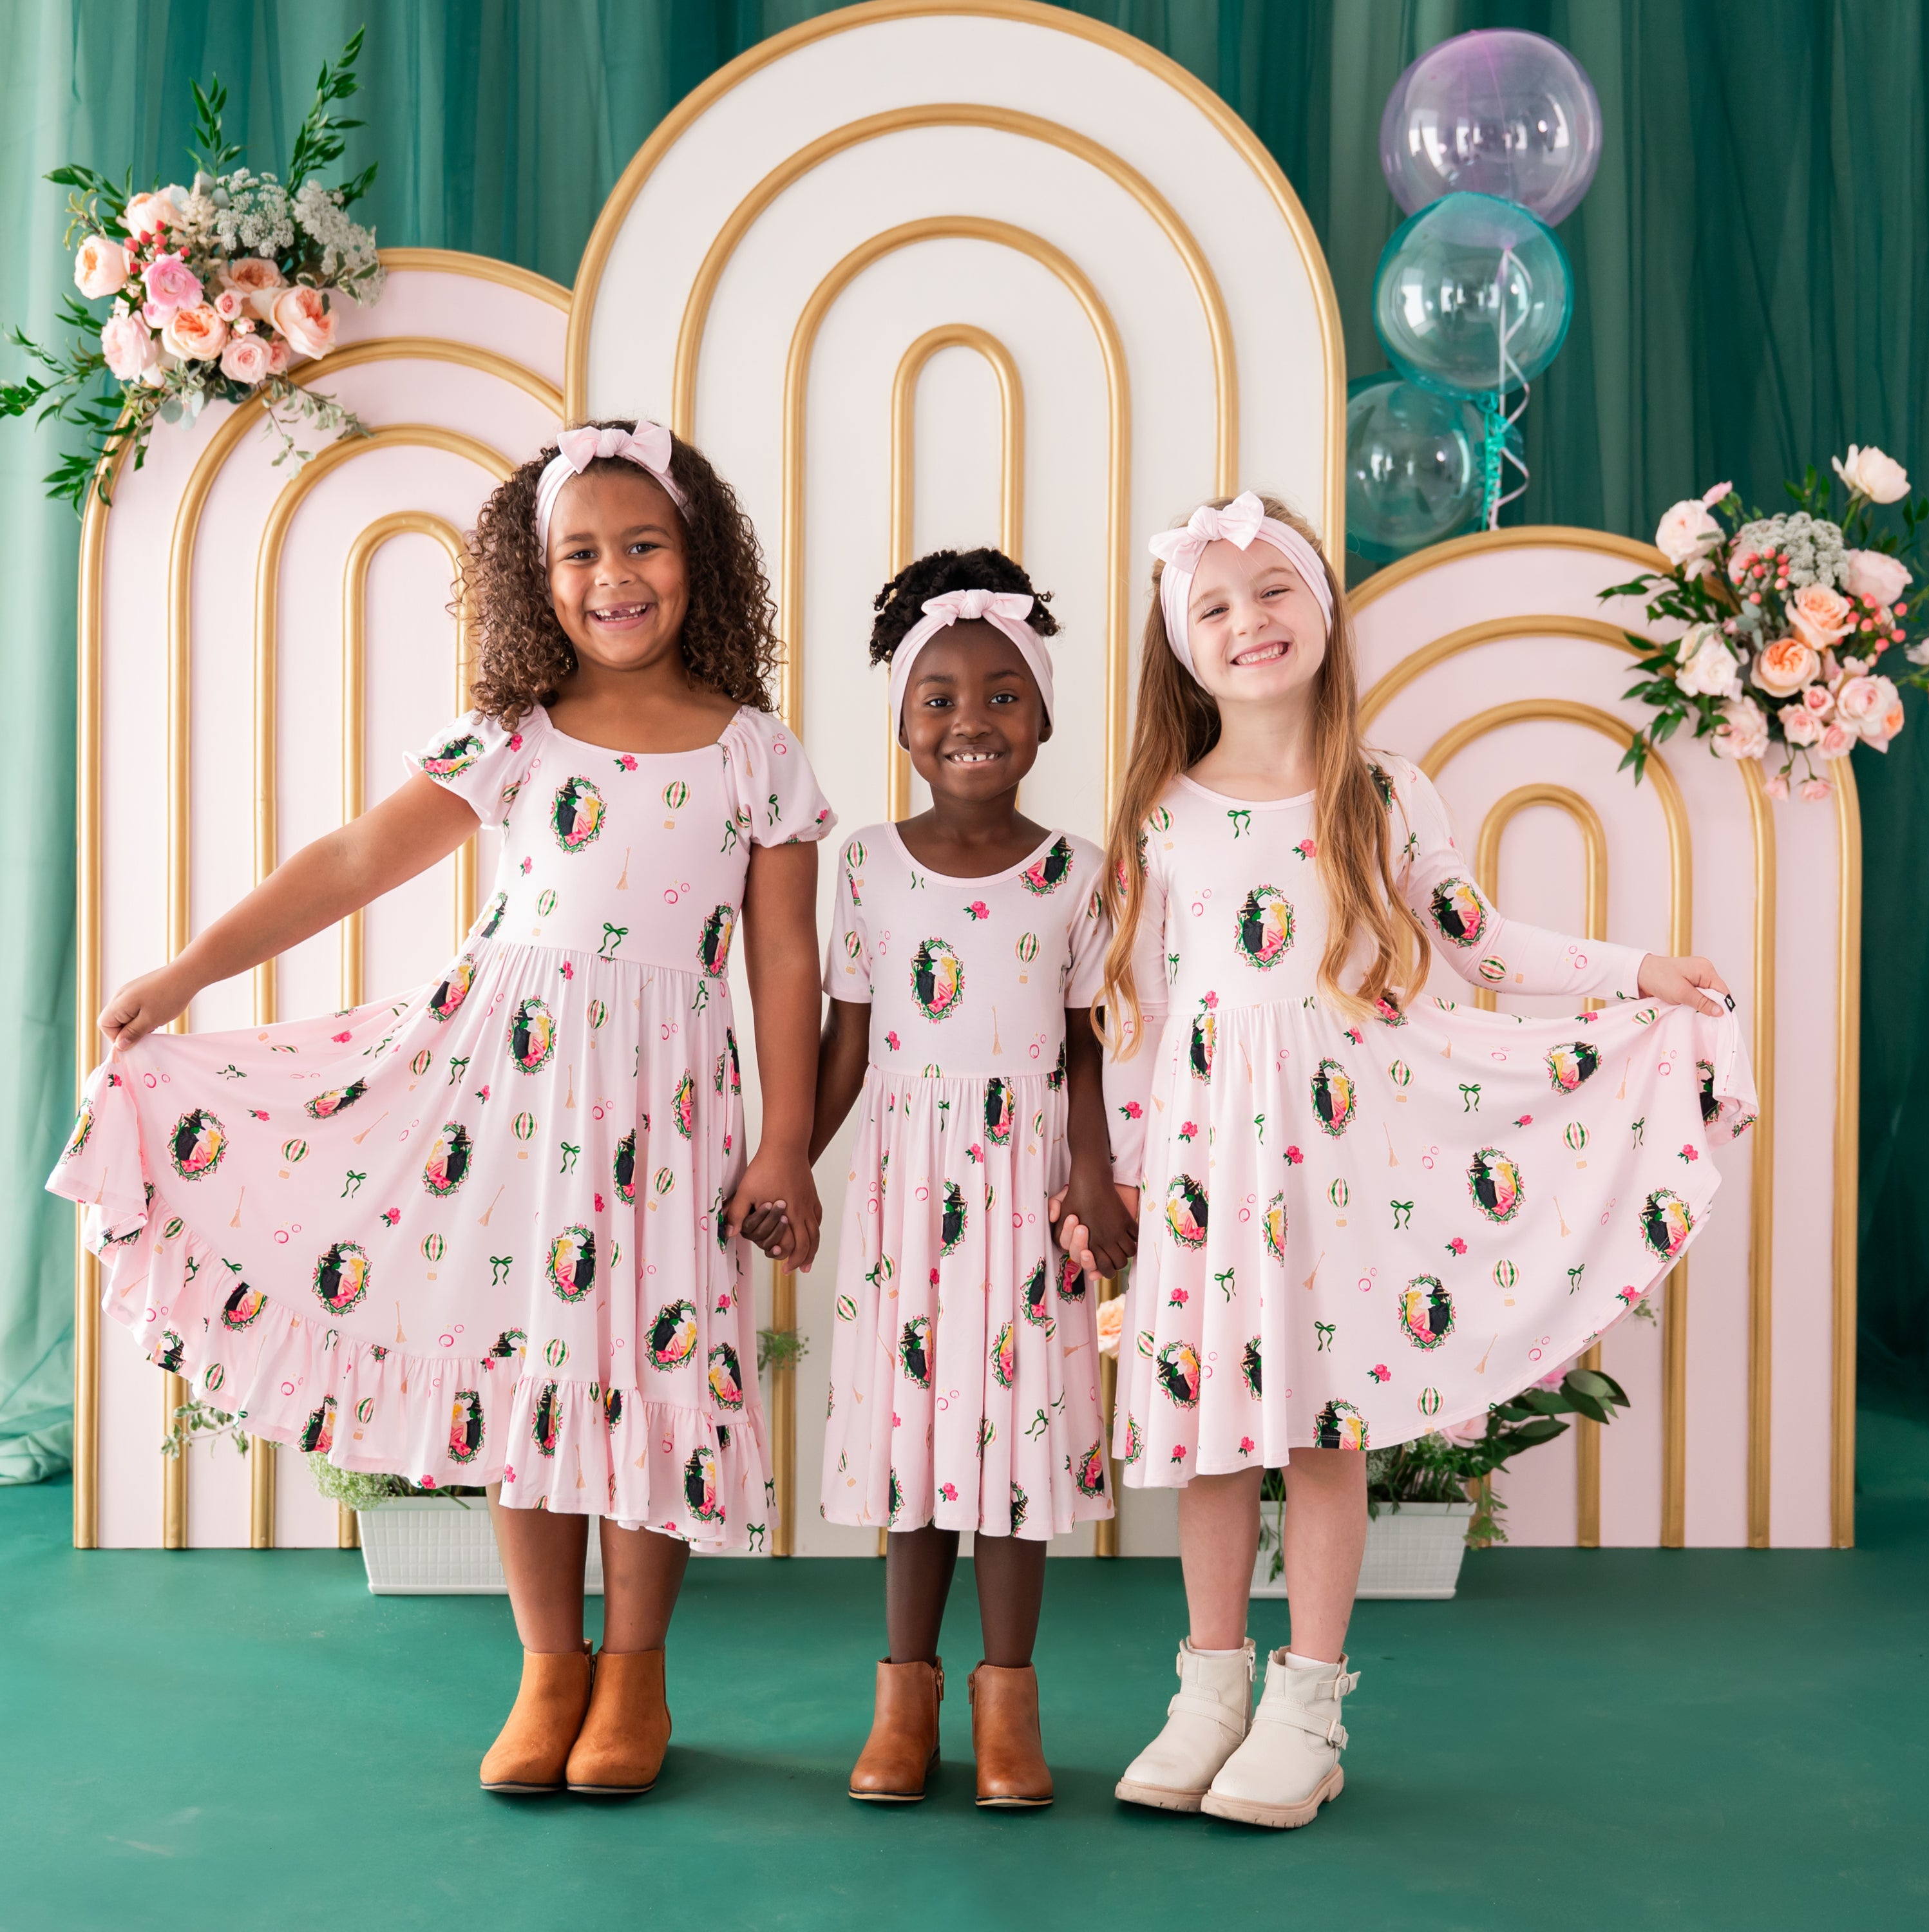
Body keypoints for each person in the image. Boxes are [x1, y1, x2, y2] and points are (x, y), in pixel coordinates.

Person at [50, 419, 835, 1799]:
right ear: (534, 580)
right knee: (526, 1367)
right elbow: (353, 857)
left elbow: (783, 953)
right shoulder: (512, 739)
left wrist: (783, 1137)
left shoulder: (755, 752)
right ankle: (548, 1669)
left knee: (652, 1370)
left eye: (643, 545)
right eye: (578, 553)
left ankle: (635, 1675)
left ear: (701, 560)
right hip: (508, 1094)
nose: (614, 577)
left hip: (668, 1111)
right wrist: (186, 972)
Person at [1058, 491, 1754, 1830]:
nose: (1249, 622)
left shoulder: (1382, 790)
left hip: (1335, 1161)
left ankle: (1305, 1708)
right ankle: (1206, 1695)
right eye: (1214, 605)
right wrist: (1128, 1173)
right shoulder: (1162, 809)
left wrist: (1636, 972)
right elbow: (1137, 1007)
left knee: (1320, 1430)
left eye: (1275, 592)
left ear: (1324, 609)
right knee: (1211, 1443)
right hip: (1211, 1163)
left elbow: (1481, 944)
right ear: (1178, 645)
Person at [748, 550, 1133, 1808]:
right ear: (904, 725)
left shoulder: (1081, 872)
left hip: (1028, 1196)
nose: (972, 718)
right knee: (917, 1456)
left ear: (1046, 716)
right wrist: (789, 1162)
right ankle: (903, 1700)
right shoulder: (865, 865)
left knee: (1014, 1464)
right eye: (941, 698)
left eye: (1004, 693)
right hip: (908, 1195)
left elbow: (1085, 1049)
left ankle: (1008, 1707)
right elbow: (846, 1046)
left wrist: (1096, 1178)